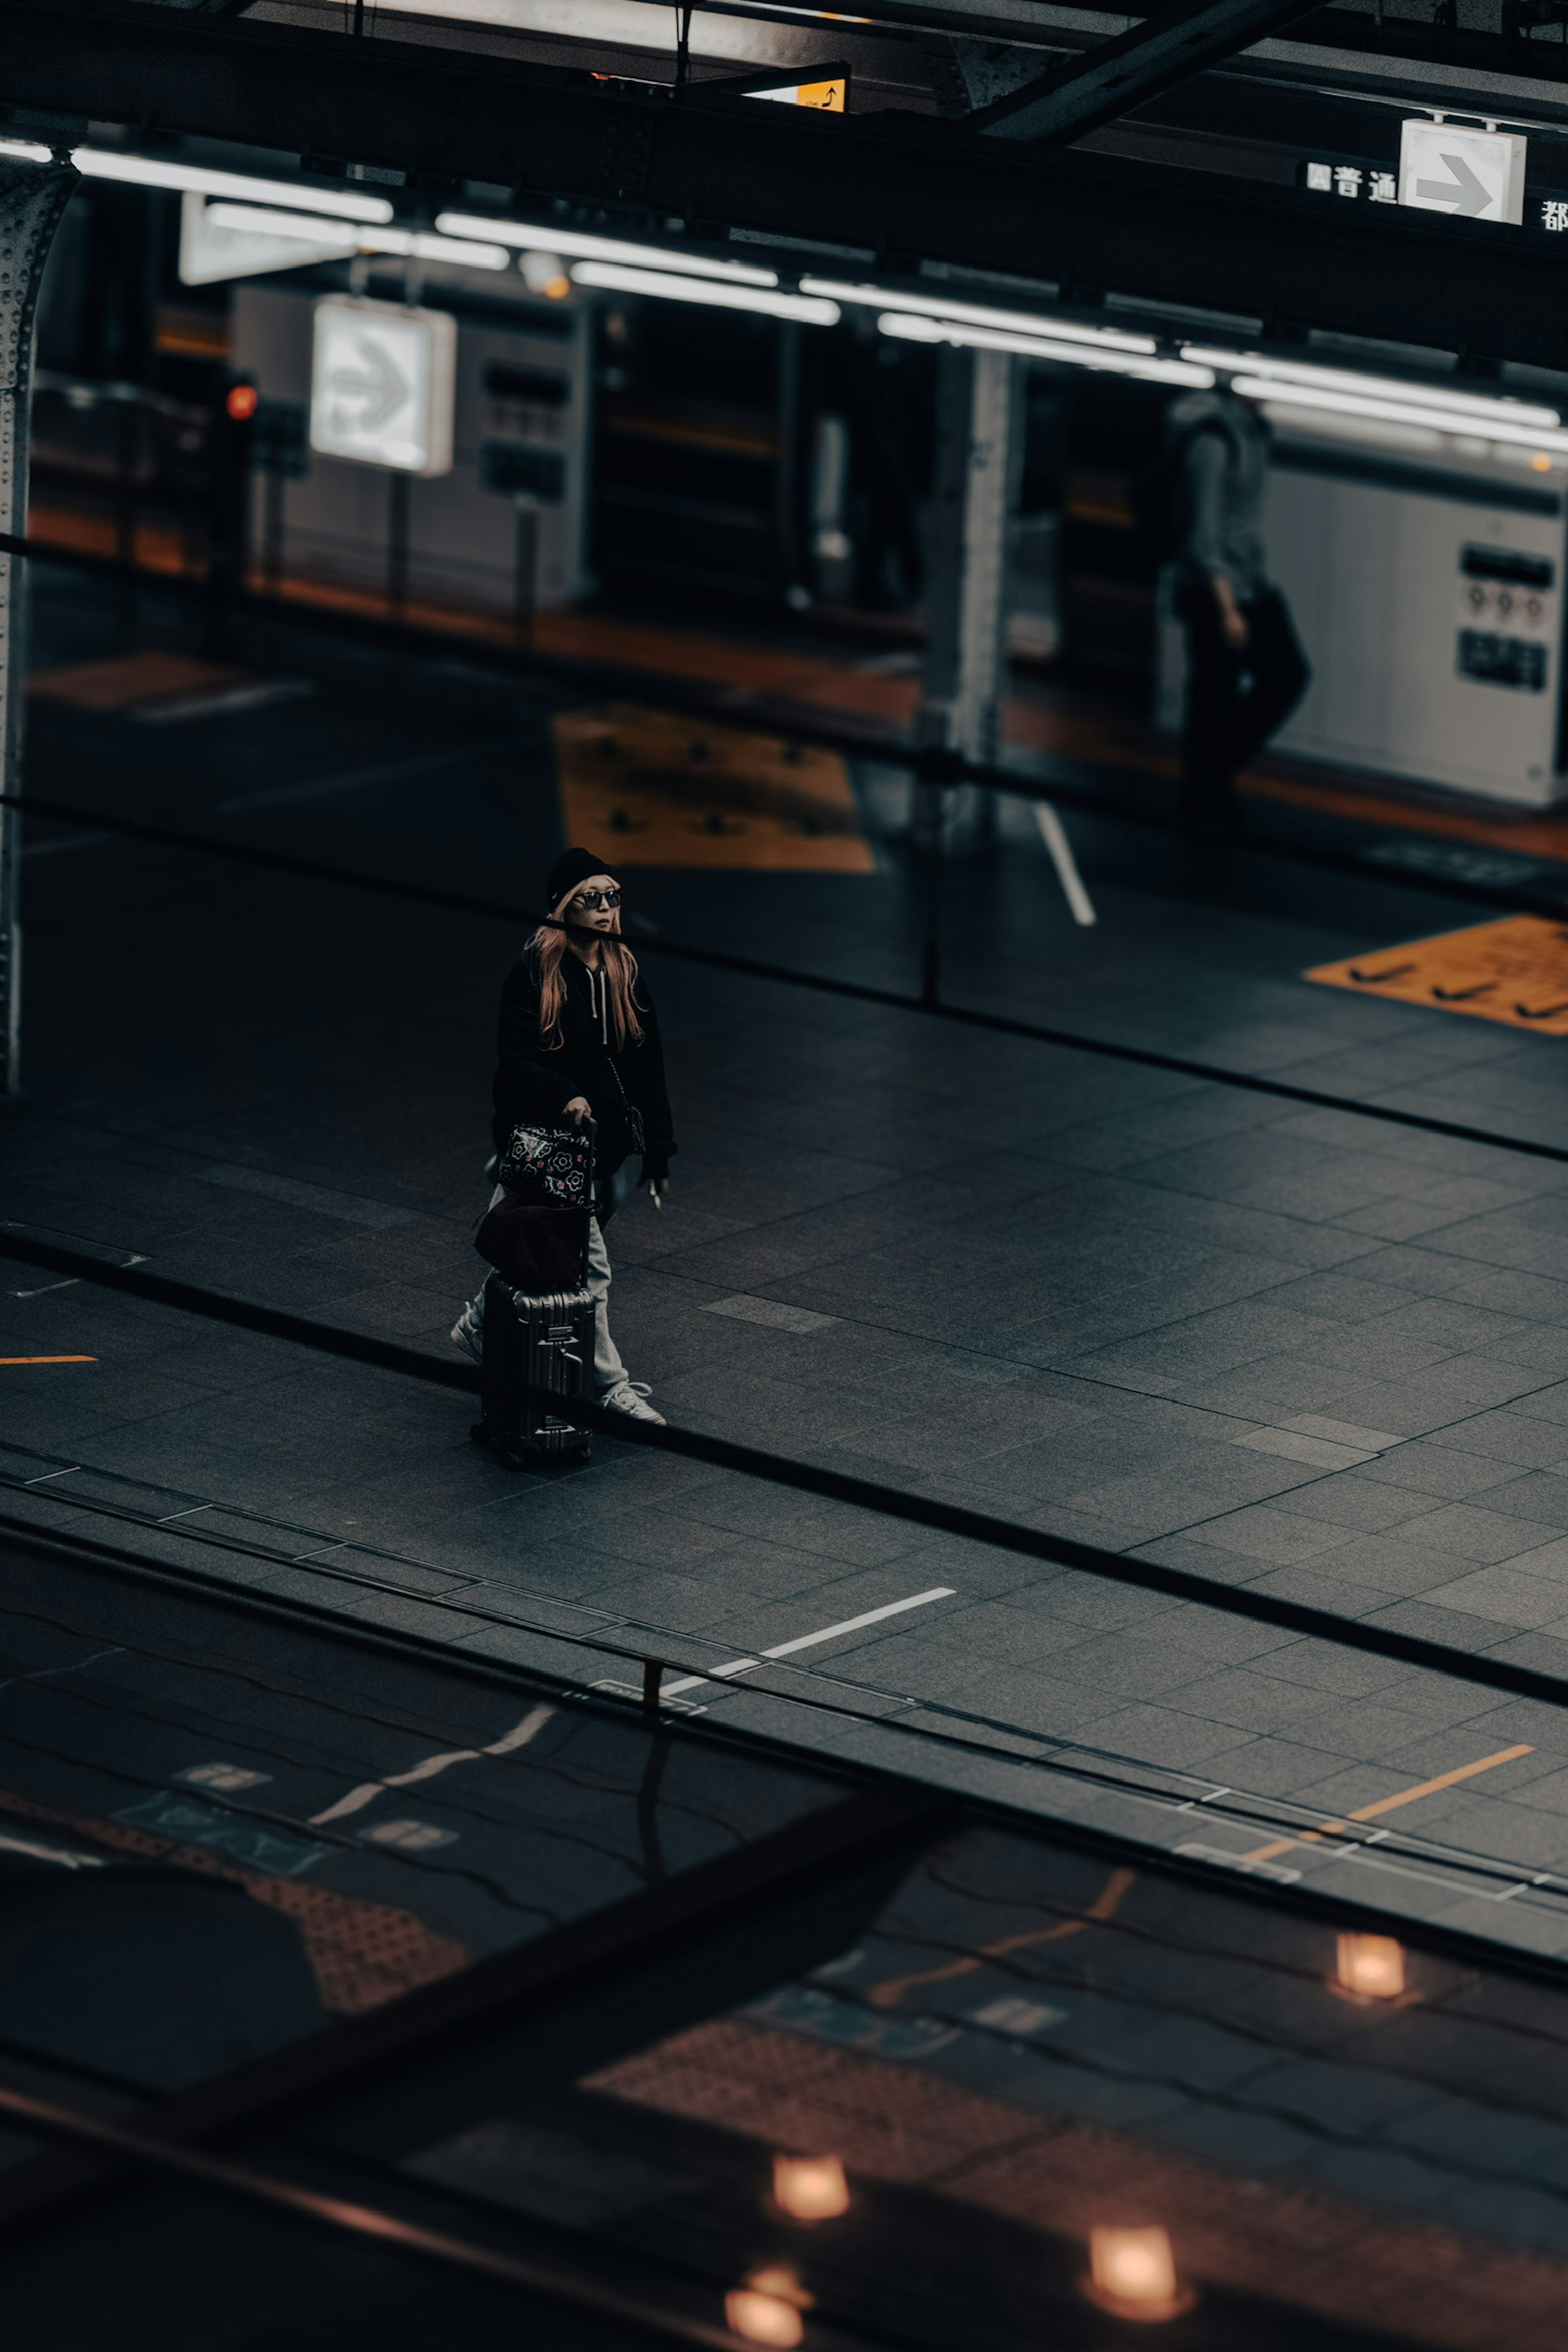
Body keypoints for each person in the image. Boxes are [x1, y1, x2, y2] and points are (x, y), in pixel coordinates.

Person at [451, 847, 675, 1423]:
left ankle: (478, 1323)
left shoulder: (623, 970)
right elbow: (515, 1061)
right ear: (563, 908)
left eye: (612, 897)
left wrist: (657, 1149)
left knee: (545, 1238)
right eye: (590, 899)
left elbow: (649, 1067)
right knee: (588, 1264)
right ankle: (609, 1385)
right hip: (552, 1141)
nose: (604, 909)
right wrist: (563, 1095)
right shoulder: (534, 971)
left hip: (602, 1146)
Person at [1168, 381, 1310, 840]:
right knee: (1215, 693)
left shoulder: (1256, 434)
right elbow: (1204, 534)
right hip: (1213, 588)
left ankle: (1214, 774)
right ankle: (1206, 791)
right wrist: (1228, 606)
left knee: (1284, 674)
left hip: (1250, 582)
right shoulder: (1213, 441)